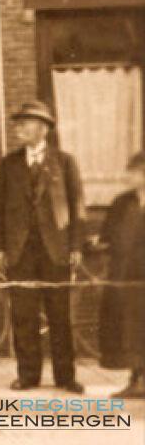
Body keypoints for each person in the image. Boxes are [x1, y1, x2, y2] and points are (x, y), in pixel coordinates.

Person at [0, 101, 85, 394]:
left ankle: (65, 376)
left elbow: (77, 208)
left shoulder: (64, 162)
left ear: (42, 128)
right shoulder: (9, 164)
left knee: (60, 316)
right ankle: (28, 375)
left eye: (25, 122)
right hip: (20, 252)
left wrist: (75, 246)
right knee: (23, 316)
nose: (18, 127)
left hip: (56, 251)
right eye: (18, 122)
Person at [98, 151, 145, 399]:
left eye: (134, 171)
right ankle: (137, 379)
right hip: (124, 277)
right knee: (129, 330)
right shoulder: (121, 202)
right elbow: (108, 234)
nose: (128, 176)